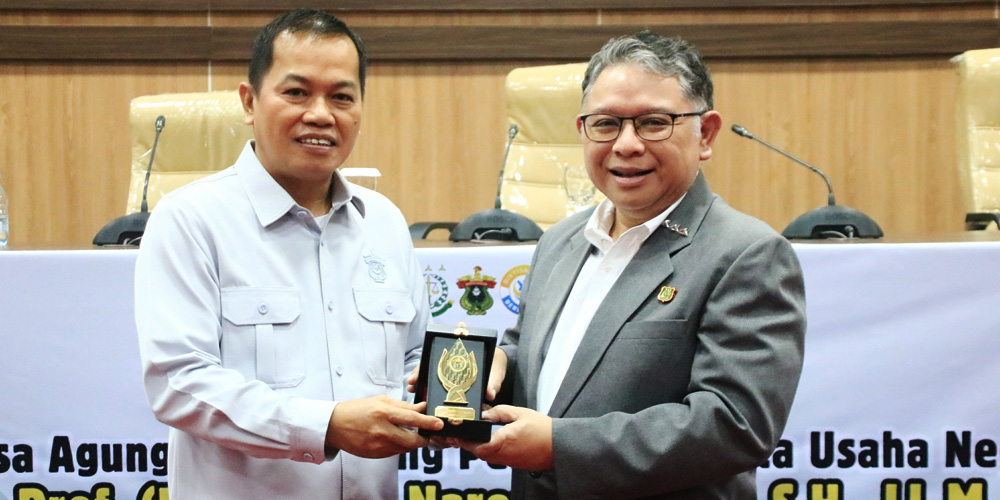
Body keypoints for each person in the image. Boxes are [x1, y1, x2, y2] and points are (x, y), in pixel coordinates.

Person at [457, 31, 807, 499]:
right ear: (582, 131)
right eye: (606, 124)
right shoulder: (560, 241)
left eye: (653, 123)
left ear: (705, 134)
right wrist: (486, 372)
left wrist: (559, 446)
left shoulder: (748, 254)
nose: (626, 144)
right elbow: (543, 361)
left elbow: (735, 424)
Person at [134, 9, 443, 499]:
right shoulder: (190, 219)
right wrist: (326, 426)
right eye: (297, 92)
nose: (321, 114)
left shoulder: (384, 222)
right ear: (249, 101)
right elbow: (180, 383)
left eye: (342, 96)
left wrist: (453, 389)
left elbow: (412, 357)